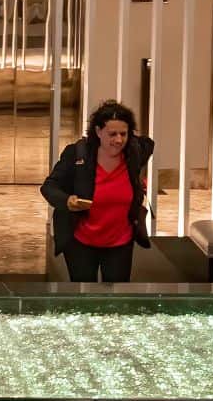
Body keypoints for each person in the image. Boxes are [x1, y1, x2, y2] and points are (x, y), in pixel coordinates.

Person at [40, 100, 155, 283]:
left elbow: (148, 143)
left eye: (123, 134)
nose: (118, 140)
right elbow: (49, 187)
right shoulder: (77, 154)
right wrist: (67, 200)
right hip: (80, 242)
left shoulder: (133, 153)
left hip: (120, 242)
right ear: (98, 131)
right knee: (85, 294)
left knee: (117, 294)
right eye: (112, 134)